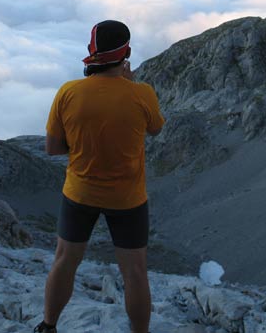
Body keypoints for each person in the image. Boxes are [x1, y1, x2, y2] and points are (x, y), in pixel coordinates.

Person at [34, 20, 166, 333]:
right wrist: (129, 84)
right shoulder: (141, 94)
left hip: (80, 193)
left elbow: (52, 148)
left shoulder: (68, 92)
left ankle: (48, 326)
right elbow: (156, 128)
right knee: (134, 272)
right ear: (126, 54)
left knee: (65, 260)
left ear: (91, 52)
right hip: (128, 199)